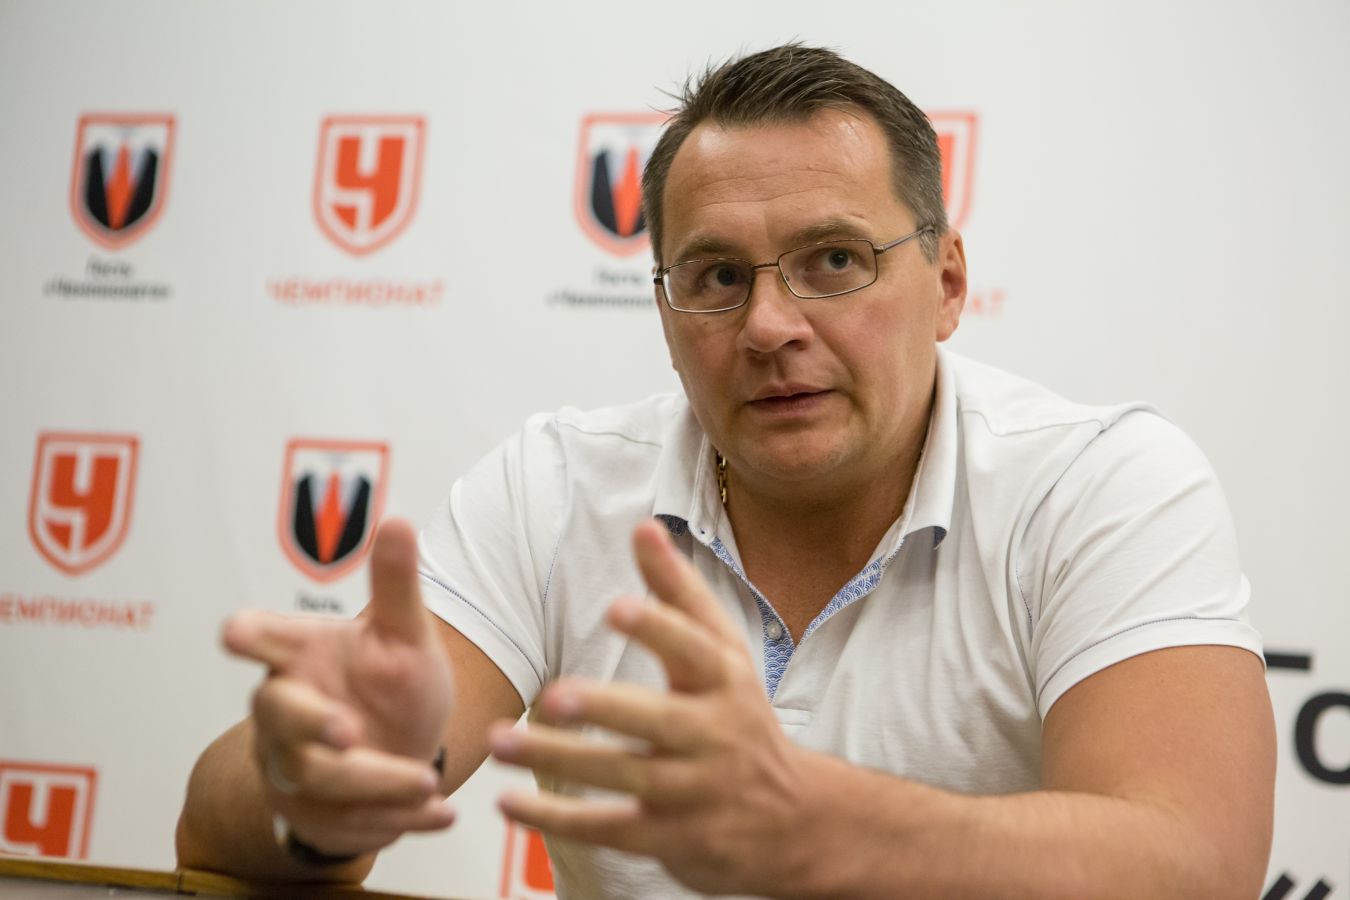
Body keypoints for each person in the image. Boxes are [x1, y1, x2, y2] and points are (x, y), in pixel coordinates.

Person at [176, 44, 1275, 898]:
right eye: (714, 276)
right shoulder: (554, 489)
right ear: (664, 314)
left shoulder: (1100, 484)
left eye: (834, 261)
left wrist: (820, 823)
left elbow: (1195, 864)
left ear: (947, 284)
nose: (769, 326)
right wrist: (319, 782)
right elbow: (216, 837)